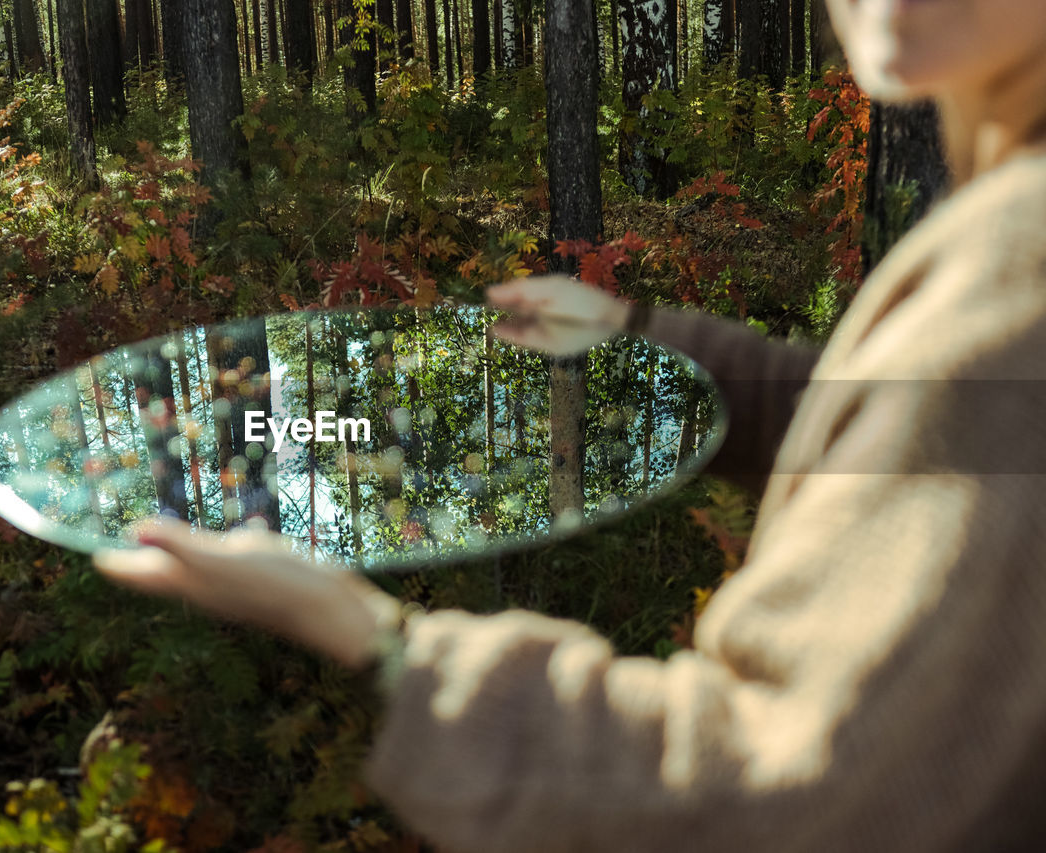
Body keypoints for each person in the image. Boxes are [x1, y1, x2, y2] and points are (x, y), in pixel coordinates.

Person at [93, 1, 1046, 848]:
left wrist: (381, 641)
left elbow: (787, 795)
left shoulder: (1020, 262)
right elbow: (933, 428)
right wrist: (646, 341)